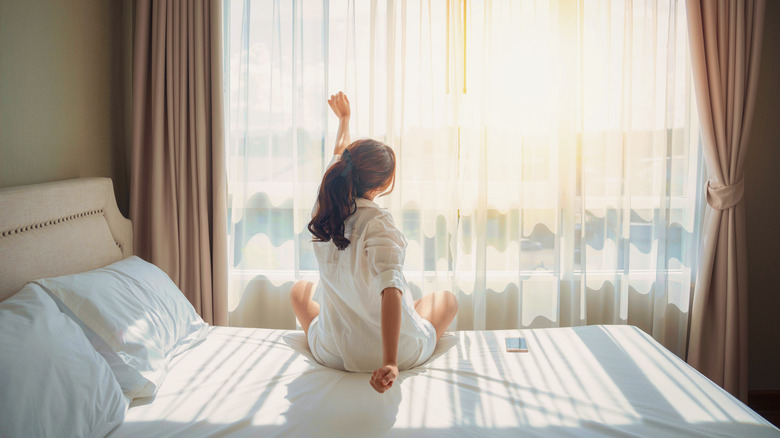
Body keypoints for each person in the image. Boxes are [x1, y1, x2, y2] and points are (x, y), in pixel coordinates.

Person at [290, 92, 458, 394]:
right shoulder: (377, 223)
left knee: (298, 295)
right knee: (446, 299)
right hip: (389, 353)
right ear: (382, 185)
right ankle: (406, 328)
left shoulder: (324, 207)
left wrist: (343, 121)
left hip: (333, 353)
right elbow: (390, 290)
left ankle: (401, 318)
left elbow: (340, 154)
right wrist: (391, 362)